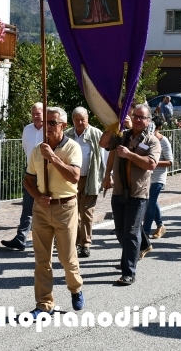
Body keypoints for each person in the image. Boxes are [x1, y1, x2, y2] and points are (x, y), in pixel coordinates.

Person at [23, 107, 84, 315]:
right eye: (46, 122)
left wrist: (54, 158)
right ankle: (43, 304)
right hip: (41, 208)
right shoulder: (37, 150)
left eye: (52, 123)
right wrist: (37, 196)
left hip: (65, 208)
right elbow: (28, 180)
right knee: (42, 259)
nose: (47, 127)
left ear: (63, 126)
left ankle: (75, 288)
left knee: (66, 257)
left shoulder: (72, 148)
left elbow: (75, 176)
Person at [102, 105, 160, 285]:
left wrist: (129, 155)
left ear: (148, 121)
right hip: (119, 190)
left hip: (137, 193)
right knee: (120, 230)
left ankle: (129, 272)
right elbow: (103, 144)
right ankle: (139, 248)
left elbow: (151, 164)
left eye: (142, 117)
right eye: (135, 116)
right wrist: (110, 126)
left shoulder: (152, 141)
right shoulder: (122, 135)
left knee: (131, 232)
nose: (137, 120)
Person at [3, 102, 44, 251]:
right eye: (33, 113)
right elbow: (25, 149)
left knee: (46, 207)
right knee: (27, 206)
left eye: (38, 113)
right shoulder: (27, 129)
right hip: (30, 173)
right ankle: (21, 238)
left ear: (44, 113)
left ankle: (50, 239)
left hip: (46, 174)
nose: (35, 116)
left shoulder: (50, 129)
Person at [66, 107, 106, 258]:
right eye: (77, 119)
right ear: (73, 121)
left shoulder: (96, 134)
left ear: (88, 119)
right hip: (71, 179)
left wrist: (109, 176)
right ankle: (75, 241)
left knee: (87, 212)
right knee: (72, 212)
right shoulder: (68, 135)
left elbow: (104, 156)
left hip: (90, 178)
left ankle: (86, 243)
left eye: (83, 119)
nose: (81, 122)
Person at [145, 125, 172, 239]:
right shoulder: (146, 139)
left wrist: (154, 162)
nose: (150, 133)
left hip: (159, 177)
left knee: (151, 202)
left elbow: (170, 162)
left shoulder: (164, 141)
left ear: (158, 128)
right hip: (147, 176)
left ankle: (145, 231)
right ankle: (160, 225)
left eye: (153, 130)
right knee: (152, 201)